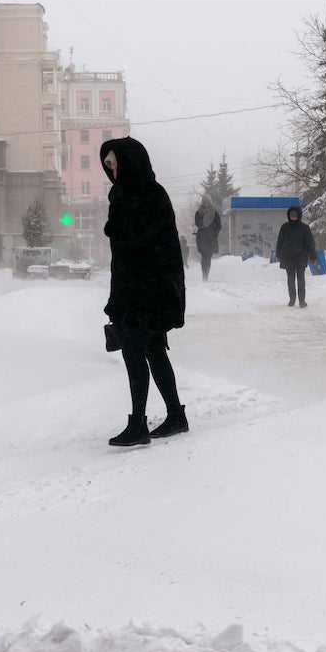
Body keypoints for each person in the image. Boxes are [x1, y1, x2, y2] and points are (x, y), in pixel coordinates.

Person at [101, 137, 189, 448]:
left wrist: (118, 230)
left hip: (148, 292)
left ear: (130, 161)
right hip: (131, 290)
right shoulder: (121, 194)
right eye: (107, 166)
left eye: (114, 164)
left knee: (135, 352)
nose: (110, 170)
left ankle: (138, 423)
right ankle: (176, 416)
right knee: (151, 351)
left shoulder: (152, 195)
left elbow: (149, 244)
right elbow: (123, 256)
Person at [275, 205, 316, 309]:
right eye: (291, 215)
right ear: (288, 215)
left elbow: (310, 242)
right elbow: (280, 241)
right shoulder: (284, 227)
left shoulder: (304, 227)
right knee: (290, 279)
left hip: (301, 257)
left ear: (299, 215)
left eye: (295, 214)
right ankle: (292, 299)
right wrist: (278, 253)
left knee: (301, 280)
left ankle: (302, 301)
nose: (293, 216)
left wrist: (312, 254)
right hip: (288, 257)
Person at [193, 199, 221, 281]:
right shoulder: (214, 213)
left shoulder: (198, 212)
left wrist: (203, 227)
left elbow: (197, 224)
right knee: (207, 257)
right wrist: (214, 233)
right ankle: (206, 275)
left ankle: (204, 275)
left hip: (202, 238)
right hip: (210, 238)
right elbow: (219, 226)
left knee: (204, 257)